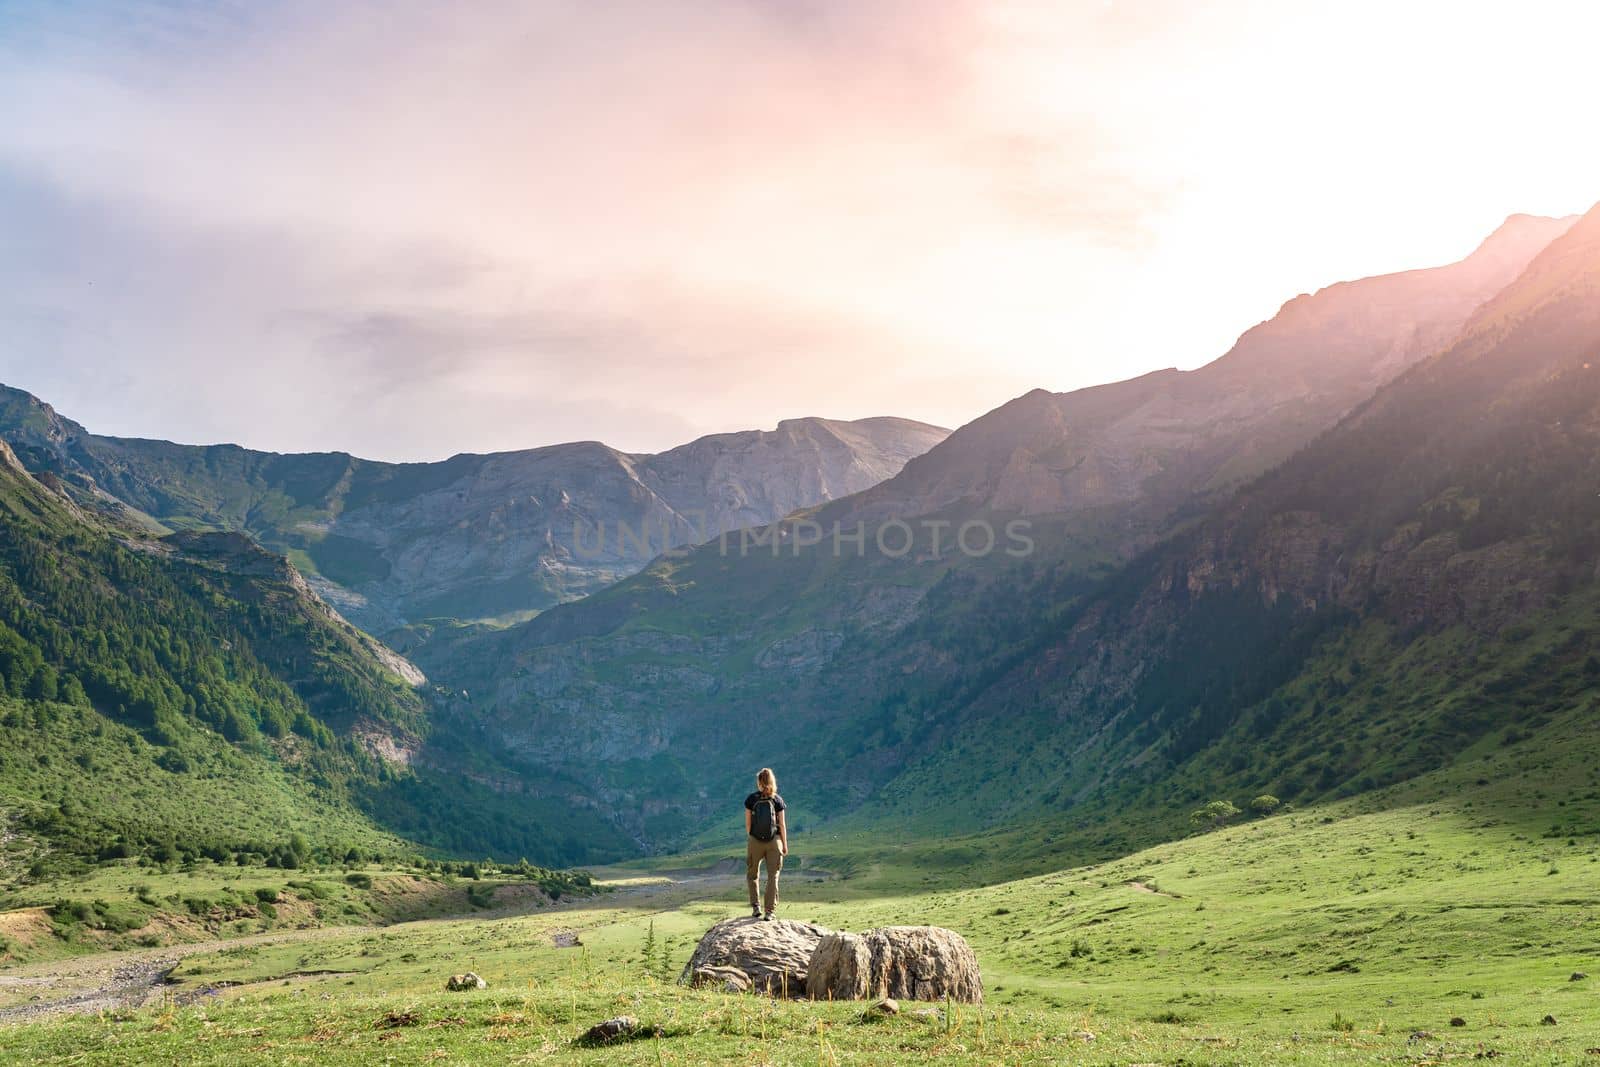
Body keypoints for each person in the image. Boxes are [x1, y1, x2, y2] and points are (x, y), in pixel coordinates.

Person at [744, 767, 787, 920]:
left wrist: (753, 838)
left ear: (759, 782)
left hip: (755, 841)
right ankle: (769, 912)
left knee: (752, 875)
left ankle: (756, 908)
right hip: (774, 842)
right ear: (772, 781)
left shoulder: (751, 799)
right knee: (773, 876)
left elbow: (748, 824)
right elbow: (781, 825)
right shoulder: (777, 800)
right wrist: (784, 844)